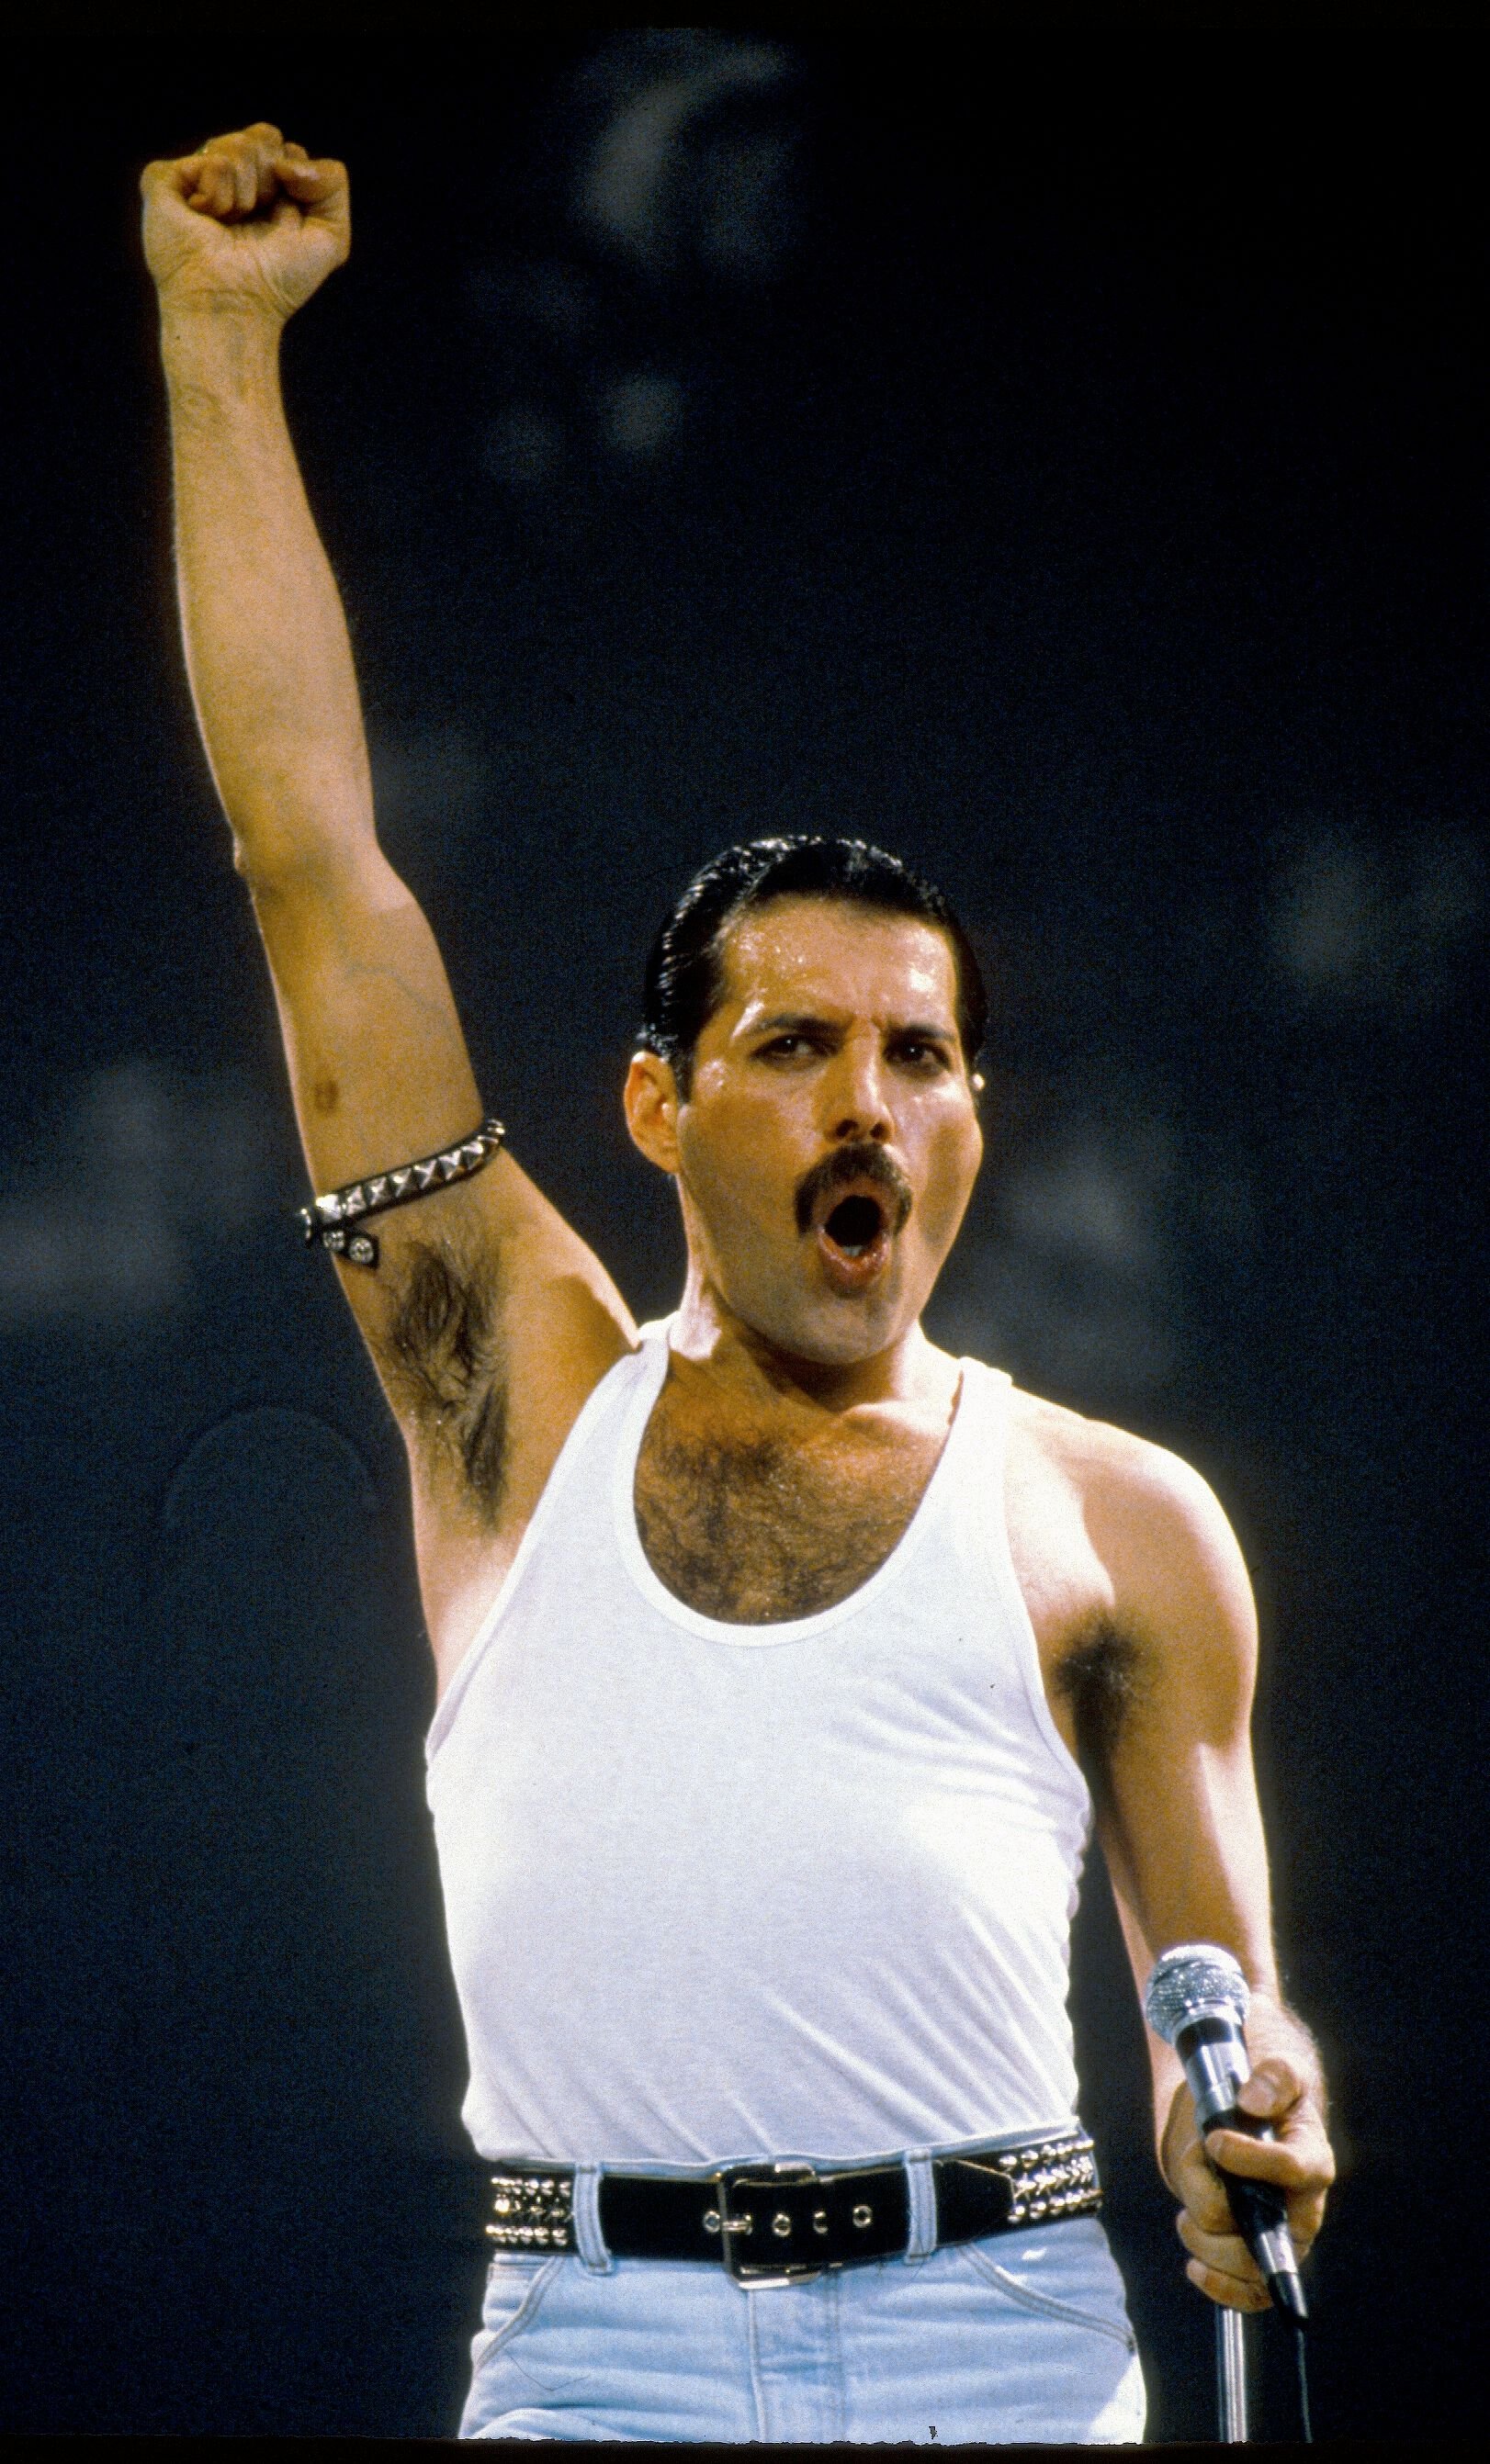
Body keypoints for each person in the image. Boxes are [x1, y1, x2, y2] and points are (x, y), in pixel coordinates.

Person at [141, 122, 1335, 2446]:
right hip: (597, 2351)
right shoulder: (521, 1396)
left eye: (921, 1056)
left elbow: (1228, 2001)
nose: (868, 1104)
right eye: (794, 1047)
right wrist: (216, 340)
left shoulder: (1121, 1523)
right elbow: (313, 862)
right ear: (663, 1106)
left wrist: (1248, 2111)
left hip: (1001, 2330)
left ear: (975, 1118)